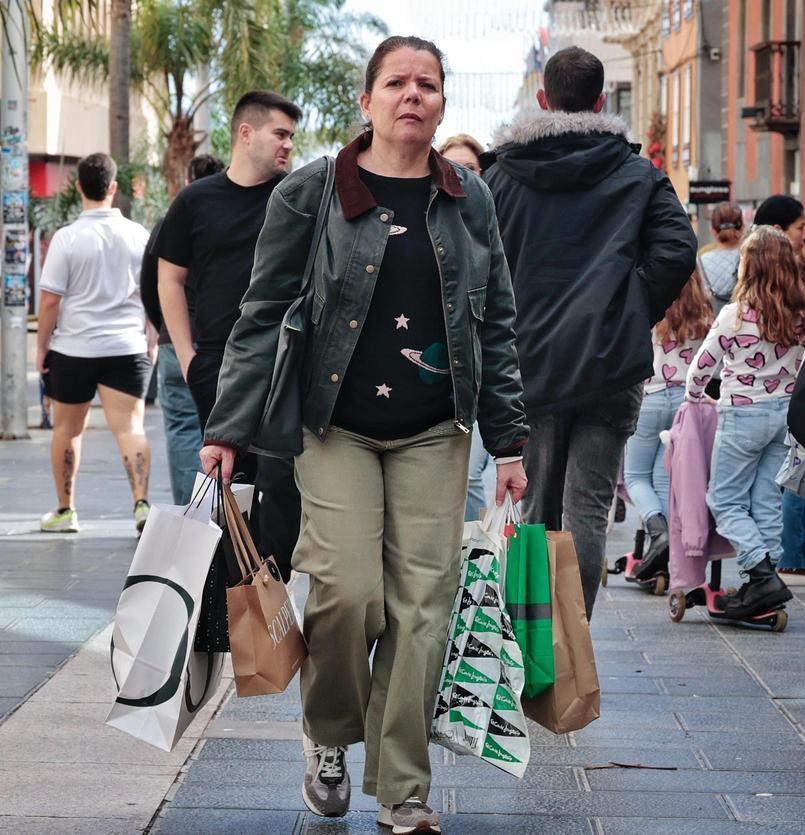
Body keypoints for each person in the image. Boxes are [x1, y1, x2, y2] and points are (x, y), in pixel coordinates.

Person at [198, 36, 528, 833]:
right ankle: (330, 735)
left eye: (428, 83)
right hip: (333, 424)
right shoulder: (312, 193)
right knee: (348, 593)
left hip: (434, 430)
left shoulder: (469, 198)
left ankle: (403, 785)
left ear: (443, 100)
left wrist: (510, 440)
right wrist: (229, 427)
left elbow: (499, 324)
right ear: (367, 100)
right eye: (396, 83)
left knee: (425, 607)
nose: (412, 95)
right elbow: (260, 313)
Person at [483, 45, 696, 619]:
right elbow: (678, 250)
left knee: (533, 510)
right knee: (589, 507)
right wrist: (628, 310)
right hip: (610, 365)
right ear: (602, 101)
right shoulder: (636, 174)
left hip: (528, 364)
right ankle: (572, 644)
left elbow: (475, 266)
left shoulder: (501, 176)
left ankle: (528, 643)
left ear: (543, 100)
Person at [157, 90, 303, 579]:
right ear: (246, 133)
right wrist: (187, 356)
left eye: (291, 137)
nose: (287, 145)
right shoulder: (196, 200)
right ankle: (225, 610)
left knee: (281, 487)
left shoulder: (295, 198)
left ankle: (270, 597)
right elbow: (169, 277)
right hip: (216, 365)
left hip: (283, 366)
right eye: (279, 134)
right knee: (228, 491)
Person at [684, 226, 805, 618]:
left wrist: (694, 398)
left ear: (749, 266)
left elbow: (702, 366)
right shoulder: (800, 313)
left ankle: (760, 574)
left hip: (742, 414)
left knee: (724, 500)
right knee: (766, 502)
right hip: (784, 416)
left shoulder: (735, 314)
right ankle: (762, 583)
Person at [36, 153, 153, 534]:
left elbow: (51, 300)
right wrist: (150, 339)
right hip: (126, 347)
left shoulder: (67, 239)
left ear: (80, 188)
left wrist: (41, 349)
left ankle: (65, 511)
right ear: (113, 188)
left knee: (67, 430)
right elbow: (154, 294)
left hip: (74, 350)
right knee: (130, 427)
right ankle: (141, 506)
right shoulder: (139, 235)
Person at [750, 198, 805, 587]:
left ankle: (787, 556)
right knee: (792, 477)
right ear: (779, 230)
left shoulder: (760, 286)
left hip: (759, 402)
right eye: (800, 225)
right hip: (788, 398)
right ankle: (790, 556)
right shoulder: (789, 291)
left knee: (783, 479)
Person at [140, 153, 225, 505]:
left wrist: (162, 326)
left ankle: (191, 519)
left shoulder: (170, 219)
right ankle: (226, 517)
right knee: (225, 433)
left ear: (188, 180)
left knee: (181, 431)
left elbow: (150, 283)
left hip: (176, 343)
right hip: (216, 342)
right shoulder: (230, 218)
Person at [627, 269, 713, 581]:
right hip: (685, 401)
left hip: (649, 397)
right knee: (664, 479)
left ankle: (657, 530)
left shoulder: (650, 306)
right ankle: (665, 546)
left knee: (635, 476)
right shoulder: (702, 313)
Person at [435, 133, 495, 522]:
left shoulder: (493, 225)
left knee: (474, 474)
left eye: (469, 169)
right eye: (451, 167)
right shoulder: (432, 230)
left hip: (497, 370)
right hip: (450, 377)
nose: (459, 176)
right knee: (463, 476)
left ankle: (473, 559)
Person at [697, 201, 744, 307]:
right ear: (742, 228)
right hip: (742, 320)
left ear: (713, 230)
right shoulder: (751, 259)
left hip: (711, 321)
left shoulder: (700, 261)